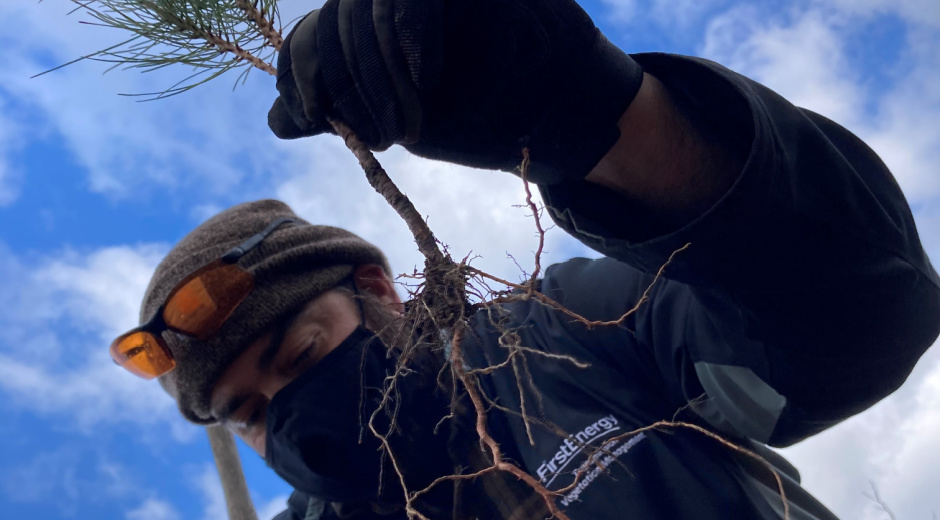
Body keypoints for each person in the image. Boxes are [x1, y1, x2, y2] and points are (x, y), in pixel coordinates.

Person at [110, 0, 940, 518]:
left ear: (377, 290)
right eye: (248, 413)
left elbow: (855, 318)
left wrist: (603, 120)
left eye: (301, 354)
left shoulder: (566, 340)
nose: (289, 416)